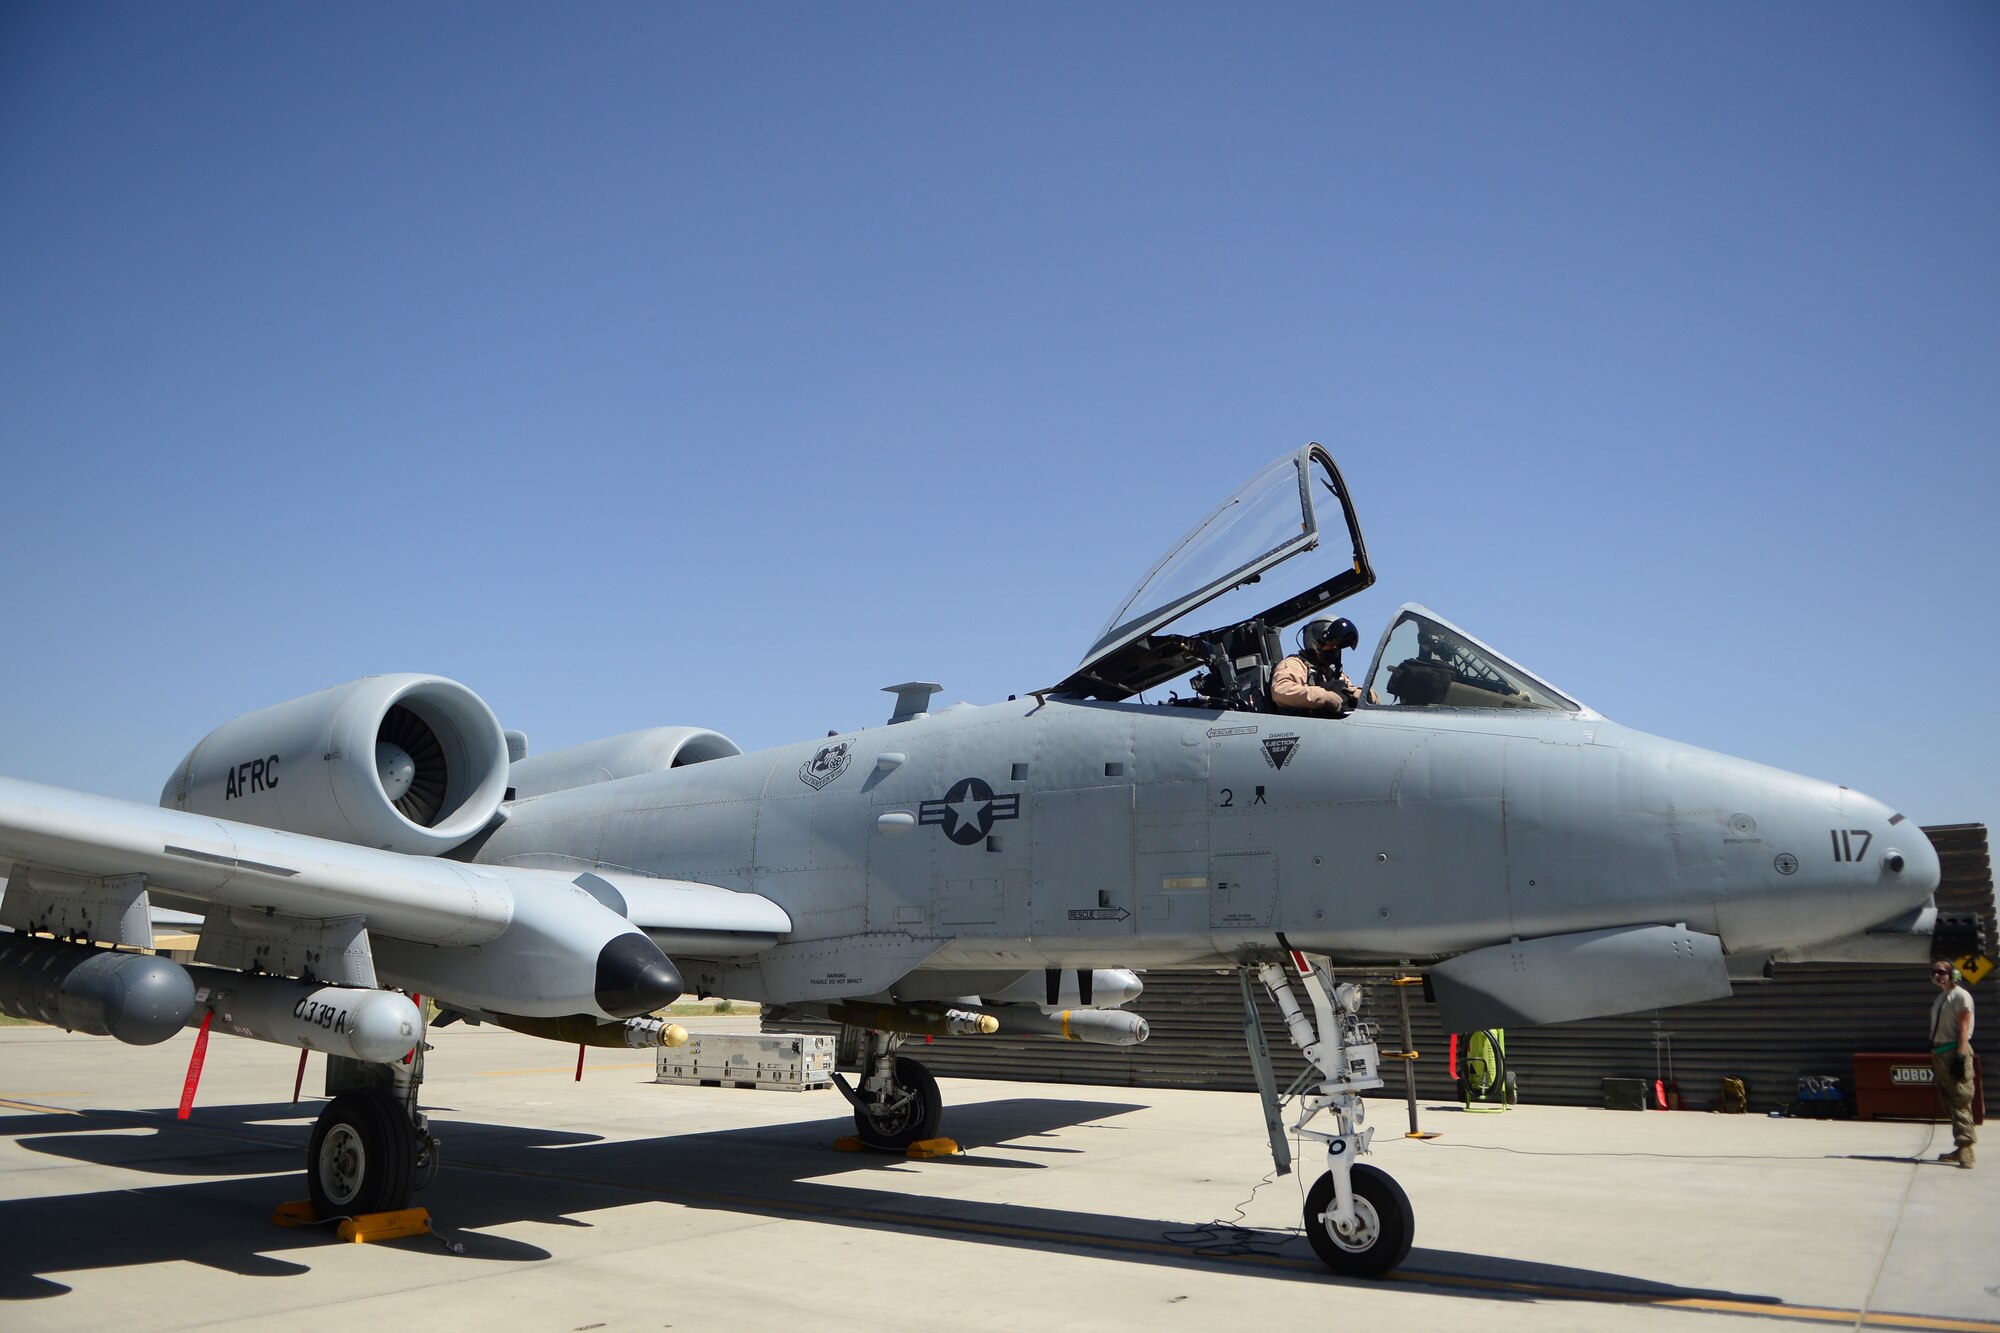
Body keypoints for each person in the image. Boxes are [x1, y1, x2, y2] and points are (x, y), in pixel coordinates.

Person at [1929, 960, 1977, 1169]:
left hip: (1953, 1052)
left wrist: (1959, 1056)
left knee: (1960, 1099)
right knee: (1949, 1102)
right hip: (1940, 1054)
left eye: (1942, 972)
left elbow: (1964, 1028)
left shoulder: (1960, 995)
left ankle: (1966, 1149)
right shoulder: (1942, 997)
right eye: (1935, 972)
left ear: (1953, 974)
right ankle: (1960, 1146)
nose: (1938, 975)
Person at [1272, 618, 1365, 717]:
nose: (1335, 650)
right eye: (1330, 645)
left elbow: (1348, 689)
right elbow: (1281, 691)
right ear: (1316, 643)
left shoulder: (1333, 673)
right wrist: (1323, 697)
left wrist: (1362, 694)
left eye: (1338, 647)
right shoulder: (1295, 664)